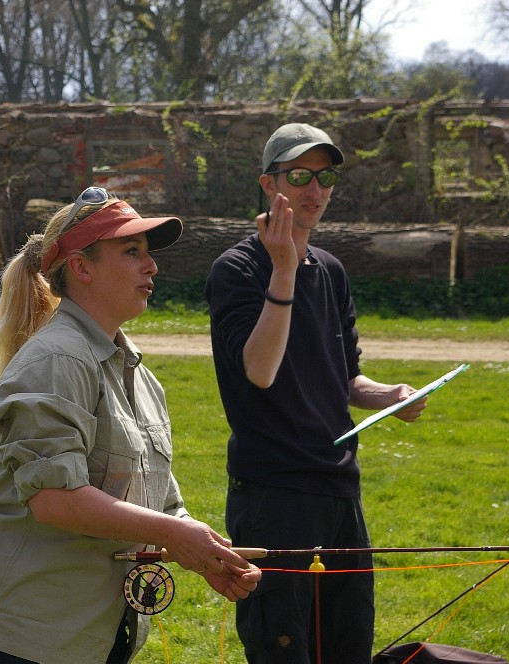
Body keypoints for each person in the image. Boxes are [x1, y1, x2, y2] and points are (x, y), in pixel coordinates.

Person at [0, 188, 262, 664]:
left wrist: (202, 548)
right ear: (81, 267)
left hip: (98, 636)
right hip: (28, 640)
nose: (152, 266)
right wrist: (174, 535)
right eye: (132, 251)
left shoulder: (138, 373)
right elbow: (55, 499)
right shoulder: (55, 360)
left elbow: (160, 501)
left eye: (147, 252)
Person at [204, 123, 429, 664]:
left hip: (339, 494)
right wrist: (283, 271)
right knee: (284, 649)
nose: (315, 190)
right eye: (300, 175)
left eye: (326, 177)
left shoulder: (330, 270)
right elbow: (259, 371)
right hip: (274, 496)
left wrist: (387, 395)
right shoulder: (237, 269)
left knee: (348, 647)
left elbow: (345, 377)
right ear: (268, 183)